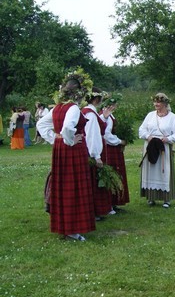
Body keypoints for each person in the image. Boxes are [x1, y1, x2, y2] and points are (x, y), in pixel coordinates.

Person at [35, 68, 96, 241]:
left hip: (60, 151)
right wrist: (68, 140)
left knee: (63, 185)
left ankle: (66, 226)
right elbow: (68, 127)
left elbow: (41, 125)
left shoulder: (57, 108)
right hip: (72, 151)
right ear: (79, 93)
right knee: (74, 186)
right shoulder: (73, 108)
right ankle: (72, 228)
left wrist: (56, 139)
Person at [139, 93, 175, 208]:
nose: (156, 104)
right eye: (155, 102)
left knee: (164, 171)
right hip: (150, 145)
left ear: (165, 103)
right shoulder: (150, 115)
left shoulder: (172, 117)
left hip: (164, 147)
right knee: (151, 170)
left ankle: (166, 199)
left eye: (159, 102)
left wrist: (167, 138)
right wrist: (148, 137)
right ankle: (151, 197)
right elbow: (141, 129)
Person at [82, 87, 114, 219]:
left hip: (90, 151)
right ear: (96, 99)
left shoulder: (88, 112)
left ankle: (96, 210)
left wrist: (105, 118)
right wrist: (96, 156)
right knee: (94, 183)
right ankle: (94, 211)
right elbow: (92, 135)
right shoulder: (90, 114)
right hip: (91, 153)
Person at [100, 95, 130, 212]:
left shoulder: (110, 116)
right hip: (110, 149)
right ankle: (110, 203)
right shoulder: (105, 117)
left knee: (117, 173)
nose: (114, 106)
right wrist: (119, 141)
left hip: (114, 149)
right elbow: (106, 135)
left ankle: (115, 202)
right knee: (112, 173)